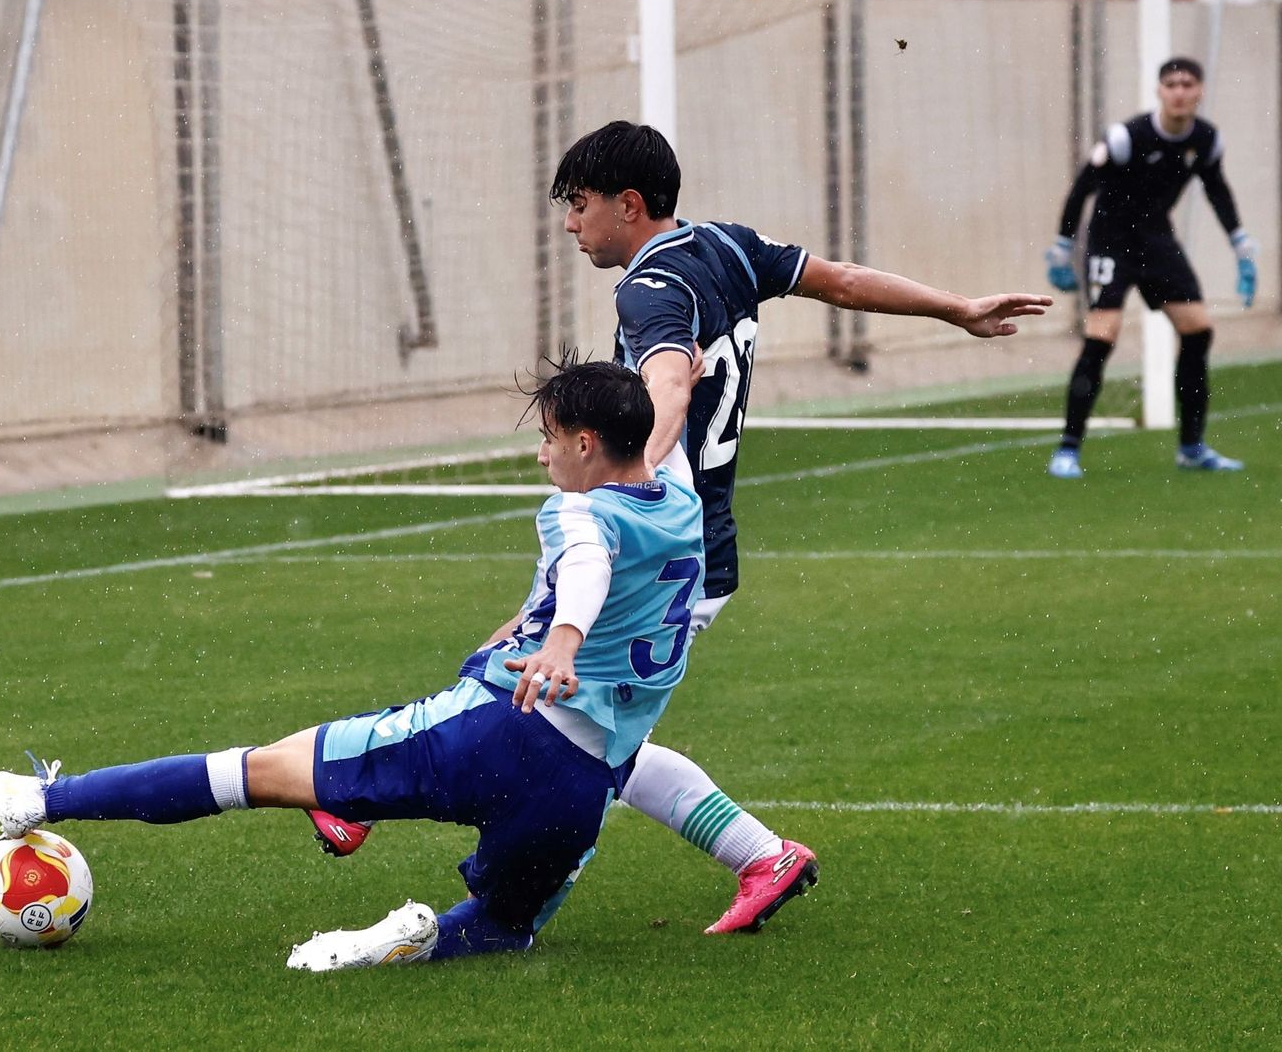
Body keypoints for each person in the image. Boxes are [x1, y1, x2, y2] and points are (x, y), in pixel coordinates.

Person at [308, 119, 1050, 936]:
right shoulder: (729, 246)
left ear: (628, 205)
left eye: (580, 205)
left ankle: (375, 807)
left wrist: (631, 483)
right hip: (701, 543)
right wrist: (955, 307)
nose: (569, 223)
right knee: (516, 669)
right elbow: (836, 278)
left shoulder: (649, 290)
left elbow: (667, 386)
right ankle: (355, 793)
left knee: (574, 735)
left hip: (664, 549)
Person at [0, 360, 706, 971]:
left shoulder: (576, 516)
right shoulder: (681, 502)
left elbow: (585, 566)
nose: (542, 456)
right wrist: (681, 381)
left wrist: (565, 640)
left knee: (251, 773)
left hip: (497, 733)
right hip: (583, 789)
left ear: (585, 442)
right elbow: (659, 427)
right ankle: (399, 941)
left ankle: (44, 800)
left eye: (549, 440)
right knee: (501, 927)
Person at [1043, 56, 1255, 479]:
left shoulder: (1207, 140)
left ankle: (1192, 447)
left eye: (1188, 84)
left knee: (1198, 331)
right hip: (1111, 242)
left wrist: (1241, 246)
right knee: (1103, 336)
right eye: (1171, 84)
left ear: (1200, 91)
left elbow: (1217, 190)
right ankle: (1068, 449)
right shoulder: (1127, 137)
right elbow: (1083, 187)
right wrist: (1062, 246)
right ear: (1159, 91)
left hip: (1157, 241)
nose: (1179, 91)